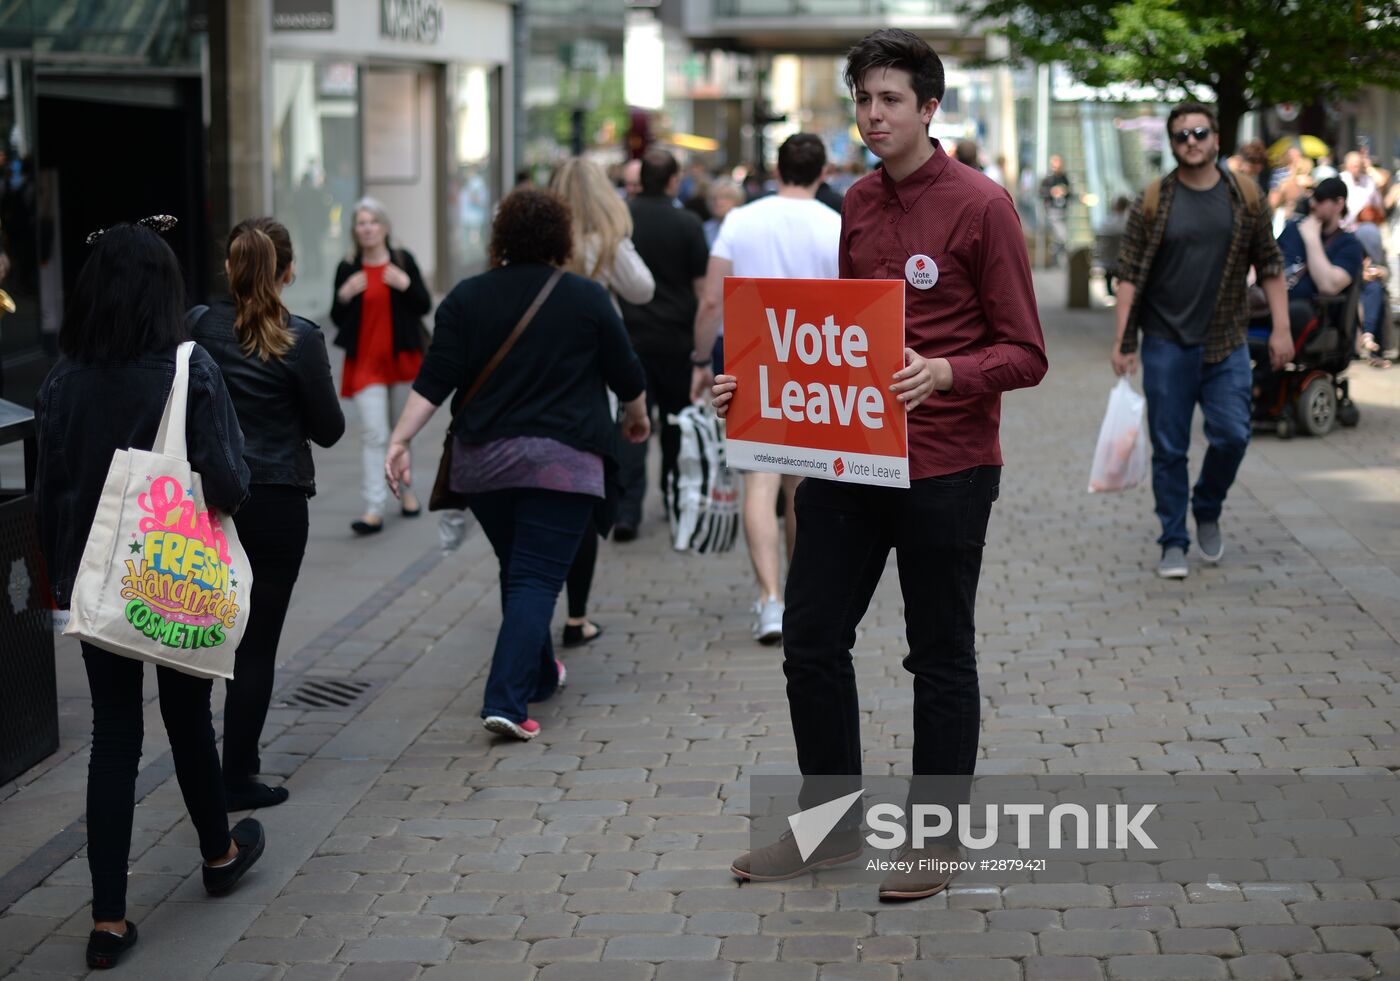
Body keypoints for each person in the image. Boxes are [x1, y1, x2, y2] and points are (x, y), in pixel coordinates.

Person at [715, 29, 1047, 901]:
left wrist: (948, 372)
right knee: (812, 635)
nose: (872, 115)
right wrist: (754, 389)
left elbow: (1027, 351)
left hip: (948, 462)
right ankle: (829, 828)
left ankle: (935, 842)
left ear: (929, 107)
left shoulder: (983, 205)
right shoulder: (854, 201)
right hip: (852, 460)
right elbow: (832, 333)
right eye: (863, 98)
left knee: (938, 652)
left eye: (890, 99)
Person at [34, 222, 266, 970]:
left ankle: (107, 920)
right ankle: (219, 851)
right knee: (187, 710)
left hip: (98, 577)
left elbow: (49, 495)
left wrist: (57, 587)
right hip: (173, 569)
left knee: (112, 734)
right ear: (163, 293)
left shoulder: (62, 378)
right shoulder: (187, 369)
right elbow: (230, 482)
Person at [384, 189, 650, 741]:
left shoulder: (465, 297)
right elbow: (627, 375)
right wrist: (637, 419)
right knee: (534, 577)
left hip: (484, 467)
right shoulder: (584, 297)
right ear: (561, 238)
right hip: (563, 463)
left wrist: (399, 439)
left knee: (520, 568)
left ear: (500, 236)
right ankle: (505, 699)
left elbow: (435, 381)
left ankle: (539, 672)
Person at [191, 218, 345, 810]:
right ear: (288, 270)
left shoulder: (199, 326)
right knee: (256, 644)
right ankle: (238, 776)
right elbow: (330, 430)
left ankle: (201, 768)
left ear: (230, 268)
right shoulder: (299, 337)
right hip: (277, 502)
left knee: (202, 634)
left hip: (210, 501)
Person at [1112, 102, 1292, 579]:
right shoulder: (1153, 200)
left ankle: (1206, 504)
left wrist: (1281, 328)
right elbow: (1128, 274)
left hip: (1226, 338)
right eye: (1180, 136)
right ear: (1172, 145)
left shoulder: (1246, 196)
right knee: (1169, 448)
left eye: (1198, 132)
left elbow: (1270, 263)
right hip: (1166, 342)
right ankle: (1173, 538)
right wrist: (1123, 341)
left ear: (1216, 138)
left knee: (1233, 434)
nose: (1190, 141)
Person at [690, 133, 842, 645]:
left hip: (754, 355)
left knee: (758, 482)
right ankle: (798, 593)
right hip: (815, 361)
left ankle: (769, 599)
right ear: (823, 173)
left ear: (777, 170)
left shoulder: (740, 219)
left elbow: (713, 300)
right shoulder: (836, 224)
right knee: (801, 485)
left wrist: (699, 359)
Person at [548, 158, 656, 647]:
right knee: (587, 489)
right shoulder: (604, 244)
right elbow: (643, 288)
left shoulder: (546, 241)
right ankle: (576, 612)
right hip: (596, 380)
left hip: (547, 372)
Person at [614, 148, 710, 540]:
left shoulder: (623, 221)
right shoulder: (688, 223)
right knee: (674, 423)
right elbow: (703, 291)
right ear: (673, 181)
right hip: (676, 340)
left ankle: (626, 510)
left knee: (634, 422)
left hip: (629, 339)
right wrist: (702, 351)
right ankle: (673, 498)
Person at [330, 198, 433, 535]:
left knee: (403, 434)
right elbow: (336, 317)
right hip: (366, 364)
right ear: (354, 231)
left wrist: (406, 284)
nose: (368, 228)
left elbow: (423, 304)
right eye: (361, 223)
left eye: (373, 221)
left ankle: (406, 491)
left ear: (385, 227)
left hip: (403, 360)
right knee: (375, 435)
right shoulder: (348, 268)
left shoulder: (403, 261)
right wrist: (344, 295)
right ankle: (374, 507)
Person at [1275, 177, 1363, 341]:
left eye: (1320, 199)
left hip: (1311, 320)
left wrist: (1312, 239)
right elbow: (1266, 263)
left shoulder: (1350, 245)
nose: (1313, 204)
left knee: (1297, 312)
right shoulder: (1293, 229)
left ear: (1338, 204)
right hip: (1271, 302)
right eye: (1313, 198)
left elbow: (1328, 286)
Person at [1040, 154, 1072, 264]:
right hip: (1052, 211)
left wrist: (1065, 192)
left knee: (1060, 236)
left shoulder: (1064, 177)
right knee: (1062, 235)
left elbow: (1069, 192)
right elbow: (1042, 192)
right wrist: (1052, 192)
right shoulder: (1048, 179)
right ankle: (1057, 254)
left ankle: (1055, 251)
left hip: (1063, 210)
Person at [1340, 151, 1384, 232]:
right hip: (1344, 227)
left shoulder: (1369, 181)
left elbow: (1378, 204)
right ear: (1347, 165)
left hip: (1364, 228)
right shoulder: (1340, 179)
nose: (1356, 168)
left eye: (1358, 165)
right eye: (1354, 165)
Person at [702, 179, 745, 248]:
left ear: (739, 201)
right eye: (713, 198)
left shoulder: (747, 229)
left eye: (726, 197)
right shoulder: (704, 230)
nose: (718, 202)